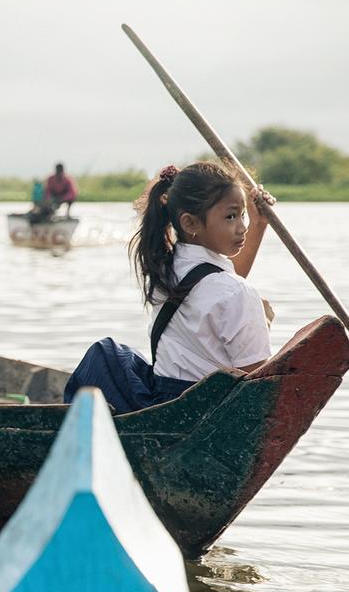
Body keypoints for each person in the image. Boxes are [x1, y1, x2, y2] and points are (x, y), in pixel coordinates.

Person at [64, 160, 274, 412]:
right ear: (190, 224)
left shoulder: (164, 266)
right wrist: (263, 323)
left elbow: (217, 284)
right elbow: (259, 386)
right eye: (230, 217)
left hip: (163, 398)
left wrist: (259, 225)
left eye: (243, 215)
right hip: (205, 409)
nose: (242, 227)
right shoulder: (236, 292)